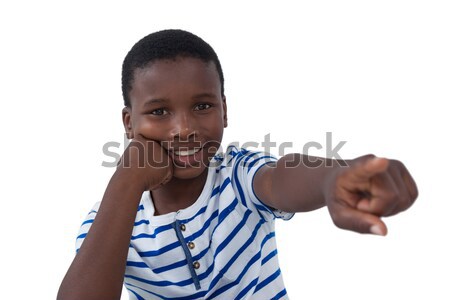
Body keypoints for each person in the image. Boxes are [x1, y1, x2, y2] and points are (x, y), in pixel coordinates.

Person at [57, 29, 418, 300]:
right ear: (129, 123)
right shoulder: (112, 219)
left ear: (224, 111)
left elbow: (281, 177)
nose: (184, 129)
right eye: (159, 111)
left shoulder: (237, 176)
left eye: (202, 106)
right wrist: (126, 181)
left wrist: (332, 178)